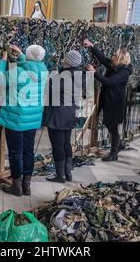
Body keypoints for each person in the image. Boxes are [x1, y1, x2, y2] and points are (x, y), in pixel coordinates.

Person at [0, 44, 48, 196]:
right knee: (28, 152)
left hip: (16, 118)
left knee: (15, 152)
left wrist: (2, 61)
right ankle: (27, 186)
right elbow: (32, 66)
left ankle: (16, 186)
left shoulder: (17, 72)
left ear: (28, 55)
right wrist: (23, 55)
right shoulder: (43, 70)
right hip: (33, 119)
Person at [84, 39, 133, 162]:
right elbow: (103, 59)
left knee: (113, 126)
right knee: (108, 123)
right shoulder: (114, 65)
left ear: (121, 58)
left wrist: (94, 72)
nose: (112, 56)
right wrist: (92, 46)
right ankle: (119, 144)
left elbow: (109, 82)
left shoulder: (124, 72)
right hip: (109, 100)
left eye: (115, 55)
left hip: (115, 103)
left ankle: (114, 153)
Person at [43, 50, 84, 183]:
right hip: (69, 114)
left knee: (57, 146)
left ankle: (60, 176)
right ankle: (68, 174)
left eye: (66, 58)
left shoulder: (64, 77)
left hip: (58, 115)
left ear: (69, 61)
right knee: (66, 143)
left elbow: (49, 88)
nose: (64, 59)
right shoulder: (78, 75)